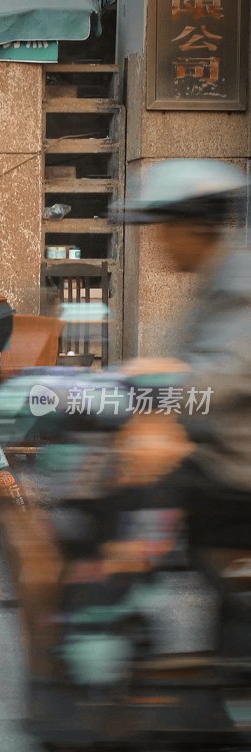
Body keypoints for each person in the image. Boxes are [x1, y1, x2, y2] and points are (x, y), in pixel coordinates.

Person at [121, 158, 251, 658]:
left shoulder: (239, 282)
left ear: (196, 225)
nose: (158, 242)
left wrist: (160, 385)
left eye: (165, 228)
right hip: (214, 459)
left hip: (234, 473)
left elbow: (225, 374)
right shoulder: (216, 278)